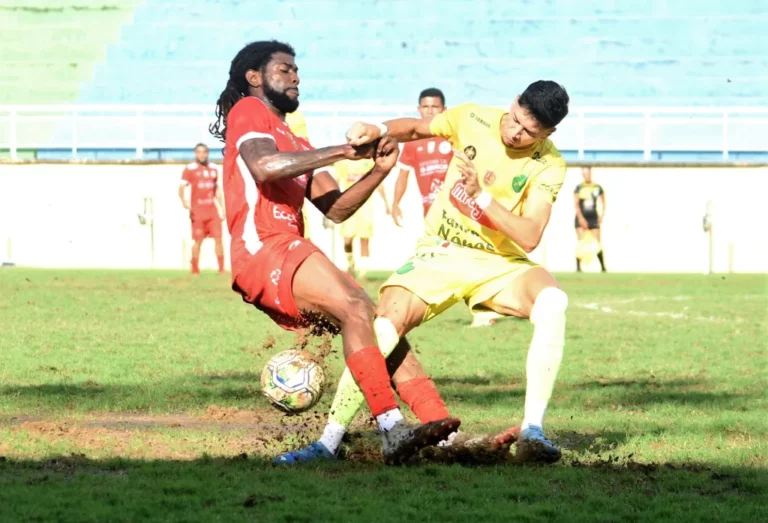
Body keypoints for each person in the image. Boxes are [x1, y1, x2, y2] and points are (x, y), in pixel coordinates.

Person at [277, 80, 571, 465]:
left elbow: (529, 234)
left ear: (548, 133)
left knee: (553, 302)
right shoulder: (472, 117)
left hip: (499, 263)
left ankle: (533, 430)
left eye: (530, 132)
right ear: (513, 102)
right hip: (441, 252)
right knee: (382, 326)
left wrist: (480, 195)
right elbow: (415, 129)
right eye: (515, 120)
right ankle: (328, 443)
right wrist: (378, 129)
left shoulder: (550, 165)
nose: (516, 133)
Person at [208, 40, 459, 464]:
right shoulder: (249, 111)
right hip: (262, 249)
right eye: (285, 69)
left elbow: (337, 208)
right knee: (356, 307)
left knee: (379, 324)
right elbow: (264, 166)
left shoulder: (297, 139)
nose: (296, 77)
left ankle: (445, 436)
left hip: (287, 249)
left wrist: (378, 171)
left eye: (297, 70)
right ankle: (392, 430)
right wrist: (344, 151)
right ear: (254, 78)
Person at [393, 87, 496, 328]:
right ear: (418, 110)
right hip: (431, 212)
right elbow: (403, 175)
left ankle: (483, 308)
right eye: (425, 107)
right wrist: (395, 202)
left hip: (457, 209)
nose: (430, 111)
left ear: (444, 110)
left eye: (435, 107)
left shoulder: (452, 136)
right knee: (443, 259)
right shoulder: (411, 143)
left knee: (461, 255)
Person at [320, 158, 390, 278]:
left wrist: (386, 203)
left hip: (365, 205)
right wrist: (329, 202)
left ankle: (363, 271)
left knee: (364, 238)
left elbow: (377, 183)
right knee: (347, 239)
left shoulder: (369, 161)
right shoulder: (343, 161)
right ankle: (350, 263)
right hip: (348, 204)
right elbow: (336, 181)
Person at [178, 143, 225, 274]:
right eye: (199, 152)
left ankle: (221, 269)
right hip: (198, 211)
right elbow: (181, 187)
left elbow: (217, 189)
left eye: (204, 152)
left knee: (218, 239)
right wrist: (184, 201)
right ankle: (195, 269)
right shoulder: (190, 169)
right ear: (195, 154)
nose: (202, 155)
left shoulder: (213, 168)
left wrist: (222, 207)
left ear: (207, 153)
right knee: (198, 240)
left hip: (212, 210)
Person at [574, 166, 606, 272]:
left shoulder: (597, 187)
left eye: (588, 173)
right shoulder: (579, 188)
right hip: (582, 216)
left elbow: (603, 201)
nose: (586, 175)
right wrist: (581, 218)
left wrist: (602, 215)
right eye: (584, 173)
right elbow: (576, 204)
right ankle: (578, 268)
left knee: (597, 243)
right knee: (581, 243)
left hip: (593, 217)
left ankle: (603, 267)